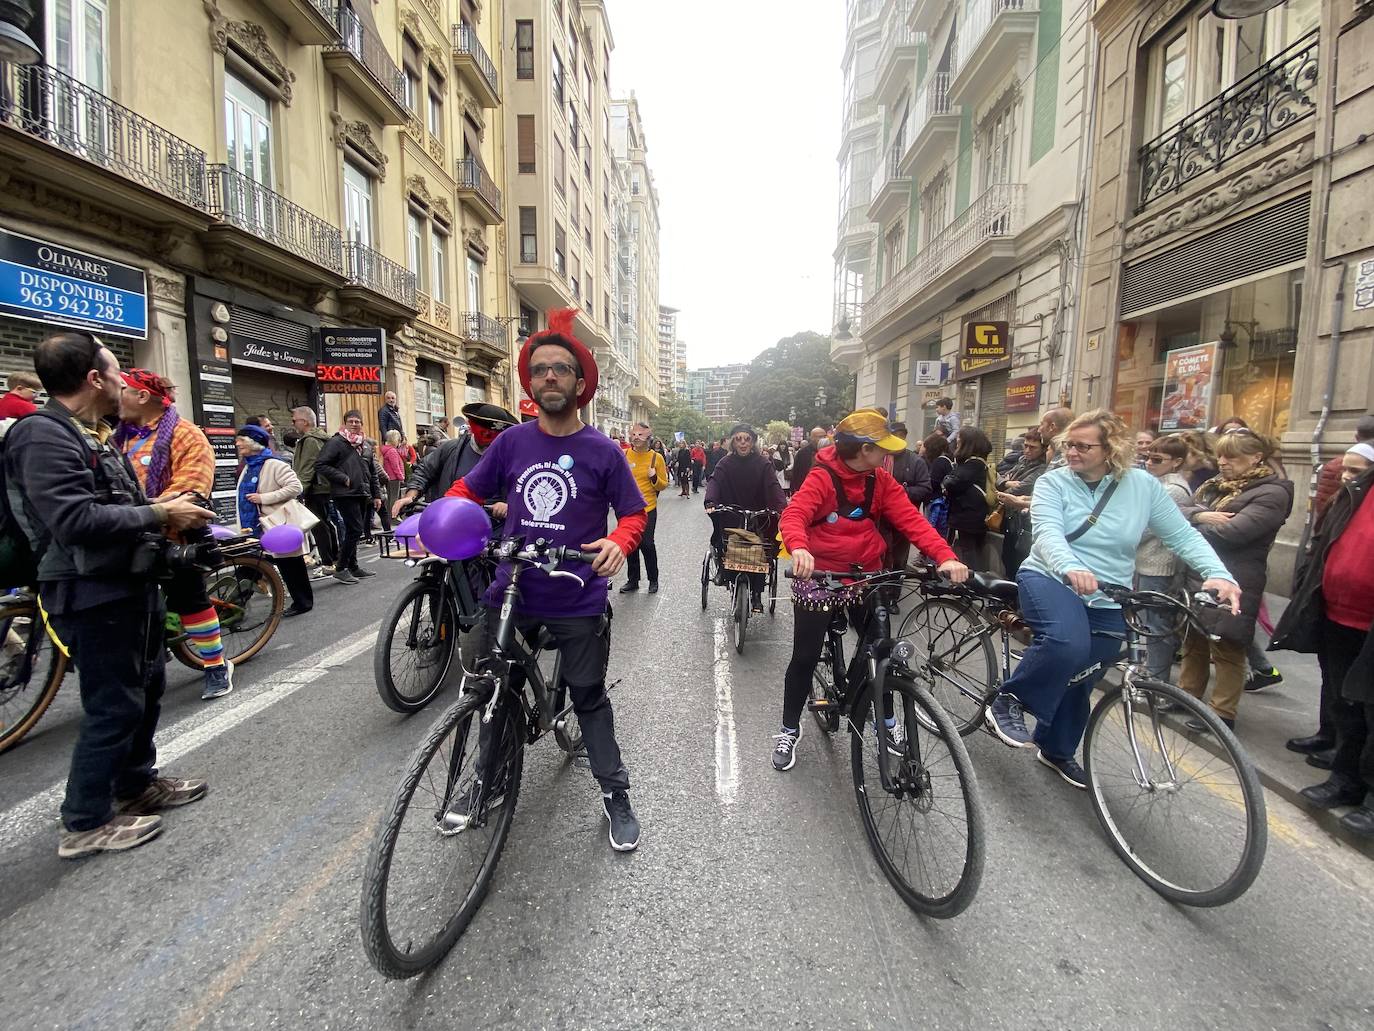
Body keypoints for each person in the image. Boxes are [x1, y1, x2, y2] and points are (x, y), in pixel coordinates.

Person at [4, 331, 214, 858]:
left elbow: (118, 502)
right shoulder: (42, 436)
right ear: (94, 379)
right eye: (118, 373)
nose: (126, 382)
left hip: (128, 583)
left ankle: (136, 784)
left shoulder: (94, 432)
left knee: (145, 688)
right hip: (88, 590)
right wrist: (162, 512)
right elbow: (74, 520)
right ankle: (84, 821)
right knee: (112, 705)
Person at [444, 308, 647, 851]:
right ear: (529, 381)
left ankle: (615, 793)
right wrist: (435, 513)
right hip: (510, 591)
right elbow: (467, 489)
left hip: (576, 595)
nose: (550, 377)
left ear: (581, 384)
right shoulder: (511, 443)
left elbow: (632, 514)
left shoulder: (604, 451)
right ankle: (483, 781)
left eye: (561, 369)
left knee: (587, 697)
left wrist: (618, 543)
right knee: (492, 688)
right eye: (540, 370)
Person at [984, 409, 1241, 788]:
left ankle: (1055, 749)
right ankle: (1010, 700)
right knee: (1067, 642)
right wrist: (1071, 566)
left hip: (1108, 590)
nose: (1071, 452)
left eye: (1082, 446)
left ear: (1112, 449)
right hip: (1050, 575)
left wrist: (1219, 573)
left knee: (1088, 671)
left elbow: (1181, 536)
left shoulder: (1142, 486)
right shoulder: (1054, 483)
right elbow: (1048, 535)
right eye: (1068, 444)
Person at [773, 408, 968, 770]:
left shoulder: (880, 480)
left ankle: (887, 721)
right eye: (883, 448)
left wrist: (944, 556)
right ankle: (788, 728)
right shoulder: (822, 477)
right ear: (864, 449)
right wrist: (799, 546)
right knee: (805, 656)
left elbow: (912, 521)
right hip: (820, 575)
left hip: (867, 574)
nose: (890, 454)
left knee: (883, 652)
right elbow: (794, 514)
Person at [113, 368, 233, 701]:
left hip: (174, 535)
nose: (114, 394)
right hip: (127, 536)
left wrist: (142, 511)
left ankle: (216, 666)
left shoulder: (186, 434)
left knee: (190, 601)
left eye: (122, 388)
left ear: (141, 396)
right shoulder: (118, 437)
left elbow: (191, 489)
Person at [1274, 448, 1374, 835]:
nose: (1346, 474)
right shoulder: (1355, 490)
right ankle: (1344, 779)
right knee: (1342, 702)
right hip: (1339, 616)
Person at [1174, 429, 1293, 730]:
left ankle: (1222, 713)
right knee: (1194, 639)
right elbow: (1176, 511)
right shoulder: (1216, 485)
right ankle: (1186, 696)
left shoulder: (1272, 493)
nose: (1223, 462)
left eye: (1232, 457)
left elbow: (1234, 533)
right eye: (1221, 455)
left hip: (1237, 575)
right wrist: (1200, 517)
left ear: (1256, 458)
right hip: (1199, 572)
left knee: (1226, 645)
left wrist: (1191, 524)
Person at [704, 424, 787, 613]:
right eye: (738, 439)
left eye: (747, 439)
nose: (742, 443)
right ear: (733, 442)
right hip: (731, 512)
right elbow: (715, 482)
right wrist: (711, 501)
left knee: (760, 549)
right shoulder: (725, 463)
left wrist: (782, 508)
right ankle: (724, 572)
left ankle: (757, 593)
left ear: (753, 442)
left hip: (759, 515)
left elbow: (773, 486)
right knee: (724, 541)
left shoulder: (763, 463)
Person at [234, 425, 314, 617]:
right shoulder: (247, 467)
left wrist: (264, 498)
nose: (237, 444)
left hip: (278, 526)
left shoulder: (275, 465)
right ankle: (233, 608)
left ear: (255, 444)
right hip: (252, 527)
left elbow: (296, 487)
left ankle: (303, 602)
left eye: (241, 440)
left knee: (291, 565)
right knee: (248, 564)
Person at [1132, 434, 1192, 682]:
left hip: (1159, 566)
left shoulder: (1173, 490)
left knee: (1158, 626)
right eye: (1146, 457)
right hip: (1147, 561)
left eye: (1156, 459)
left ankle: (1157, 681)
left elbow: (1147, 527)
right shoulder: (1157, 483)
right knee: (1148, 623)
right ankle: (1151, 673)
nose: (1148, 462)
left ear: (1176, 462)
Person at [391, 402, 518, 517]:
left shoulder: (514, 457)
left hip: (498, 532)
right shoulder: (451, 449)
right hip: (453, 523)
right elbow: (424, 470)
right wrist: (410, 496)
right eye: (485, 434)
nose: (489, 442)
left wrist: (509, 506)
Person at [314, 409, 381, 585]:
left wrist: (377, 495)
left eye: (357, 422)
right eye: (350, 421)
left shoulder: (365, 444)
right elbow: (321, 465)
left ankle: (353, 567)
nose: (354, 424)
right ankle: (341, 567)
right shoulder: (336, 442)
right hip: (344, 493)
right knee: (355, 530)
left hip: (362, 493)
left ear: (361, 424)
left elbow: (372, 472)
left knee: (355, 530)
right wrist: (343, 478)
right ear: (344, 423)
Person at [620, 421, 669, 594]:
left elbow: (663, 485)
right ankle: (633, 580)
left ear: (649, 436)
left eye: (640, 435)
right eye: (633, 434)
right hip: (627, 509)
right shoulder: (624, 455)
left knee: (647, 544)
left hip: (648, 508)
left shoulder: (657, 458)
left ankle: (653, 579)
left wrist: (654, 477)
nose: (635, 438)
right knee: (630, 546)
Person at [882, 421, 933, 586]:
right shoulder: (879, 457)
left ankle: (893, 594)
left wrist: (903, 492)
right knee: (879, 556)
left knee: (898, 559)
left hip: (902, 519)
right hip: (879, 519)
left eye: (899, 437)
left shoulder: (915, 461)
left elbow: (925, 488)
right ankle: (878, 593)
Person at [289, 406, 338, 573]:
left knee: (318, 524)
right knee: (326, 523)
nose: (293, 423)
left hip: (314, 487)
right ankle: (334, 558)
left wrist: (299, 489)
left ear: (305, 421)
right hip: (323, 486)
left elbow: (307, 466)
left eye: (294, 420)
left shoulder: (309, 440)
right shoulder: (322, 437)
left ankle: (328, 562)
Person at [995, 428, 1048, 578]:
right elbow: (998, 480)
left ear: (1043, 449)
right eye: (1025, 445)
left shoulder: (1042, 468)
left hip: (1022, 521)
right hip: (1010, 517)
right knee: (1007, 558)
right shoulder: (1021, 461)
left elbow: (1020, 488)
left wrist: (1005, 485)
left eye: (1033, 447)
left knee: (1018, 562)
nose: (1027, 450)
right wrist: (1007, 483)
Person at [942, 426, 993, 568]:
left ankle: (971, 583)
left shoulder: (973, 463)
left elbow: (952, 483)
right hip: (971, 516)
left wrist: (947, 479)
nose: (957, 441)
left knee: (968, 553)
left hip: (968, 517)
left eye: (959, 438)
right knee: (968, 551)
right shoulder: (973, 463)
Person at [1313, 415, 1374, 521]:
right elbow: (1324, 505)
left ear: (1356, 436)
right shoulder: (1336, 466)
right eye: (1344, 469)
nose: (1345, 475)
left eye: (1354, 471)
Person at [789, 427, 825, 496]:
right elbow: (796, 473)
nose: (823, 439)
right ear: (812, 438)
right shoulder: (802, 453)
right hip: (806, 490)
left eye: (824, 436)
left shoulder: (830, 452)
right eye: (820, 437)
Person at [380, 430, 407, 516]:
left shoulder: (385, 449)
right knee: (394, 499)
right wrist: (401, 477)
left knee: (390, 497)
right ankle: (393, 516)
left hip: (389, 477)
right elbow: (396, 467)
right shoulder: (392, 451)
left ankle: (389, 516)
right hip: (394, 478)